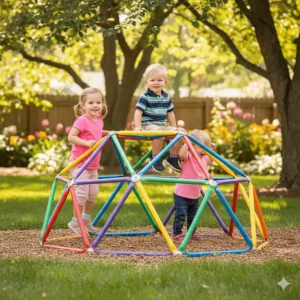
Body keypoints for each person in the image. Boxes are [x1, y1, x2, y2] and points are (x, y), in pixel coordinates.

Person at [67, 87, 108, 236]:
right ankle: (75, 221)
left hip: (92, 165)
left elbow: (96, 132)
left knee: (93, 194)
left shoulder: (99, 120)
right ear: (83, 105)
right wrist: (86, 143)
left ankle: (86, 219)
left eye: (98, 102)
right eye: (91, 102)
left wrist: (108, 133)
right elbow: (71, 137)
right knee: (82, 194)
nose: (95, 105)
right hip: (80, 164)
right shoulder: (82, 120)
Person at [134, 63, 184, 173]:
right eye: (152, 80)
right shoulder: (145, 97)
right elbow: (138, 112)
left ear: (165, 82)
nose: (156, 83)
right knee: (159, 134)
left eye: (159, 80)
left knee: (181, 133)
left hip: (162, 126)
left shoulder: (166, 97)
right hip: (148, 125)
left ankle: (173, 158)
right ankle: (155, 159)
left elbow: (170, 113)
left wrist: (174, 128)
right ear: (146, 81)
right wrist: (138, 126)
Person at [173, 130, 215, 241]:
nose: (204, 150)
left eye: (205, 147)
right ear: (192, 145)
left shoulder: (204, 158)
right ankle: (177, 233)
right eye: (201, 147)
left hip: (195, 195)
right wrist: (188, 142)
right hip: (181, 194)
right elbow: (181, 154)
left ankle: (191, 233)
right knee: (181, 215)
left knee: (193, 216)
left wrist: (211, 150)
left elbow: (211, 160)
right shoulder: (188, 156)